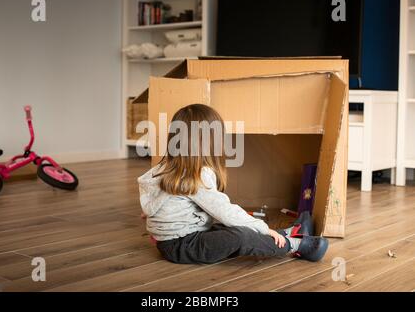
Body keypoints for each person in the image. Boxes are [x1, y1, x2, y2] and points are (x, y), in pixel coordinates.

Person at [138, 104, 328, 264]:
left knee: (233, 225)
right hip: (182, 245)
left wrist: (155, 216)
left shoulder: (163, 168)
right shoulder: (196, 176)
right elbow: (225, 211)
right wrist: (264, 228)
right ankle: (294, 245)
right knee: (239, 236)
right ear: (209, 141)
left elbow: (156, 201)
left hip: (178, 238)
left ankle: (288, 232)